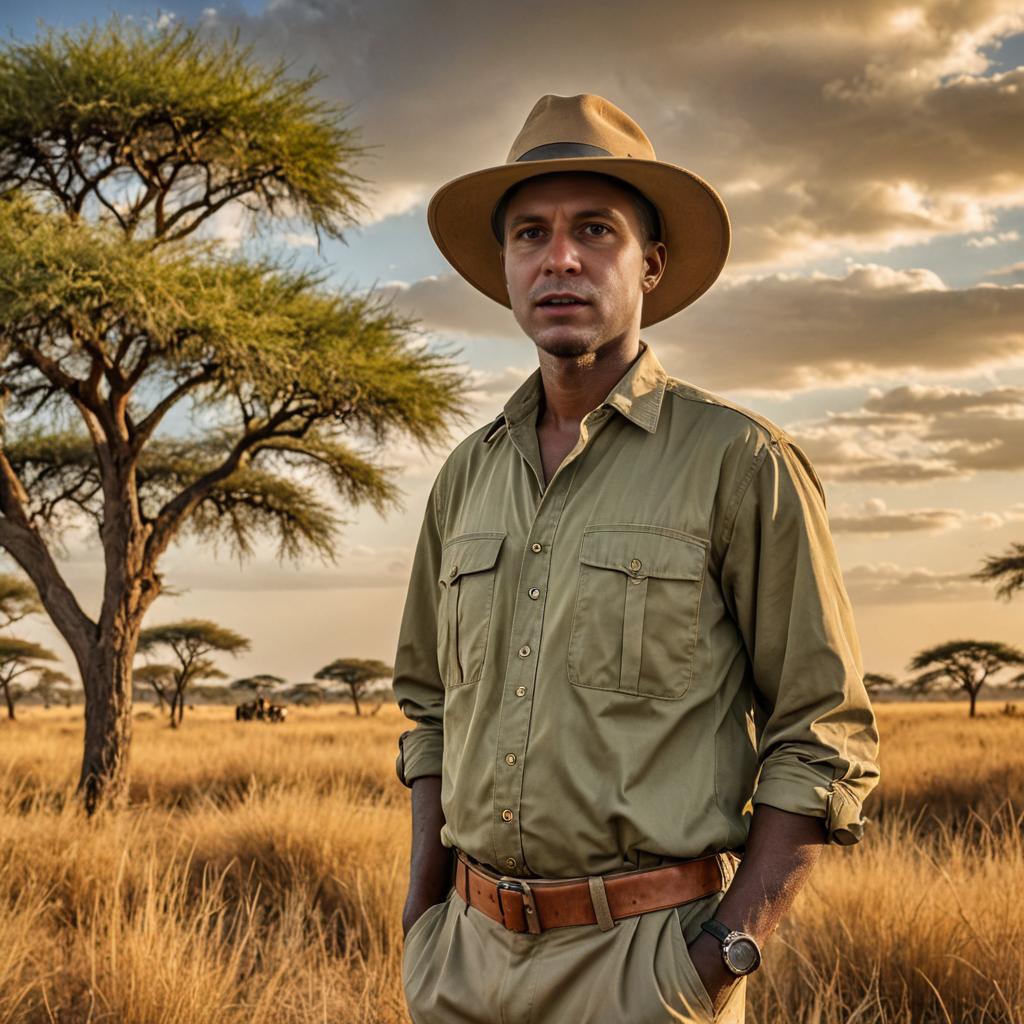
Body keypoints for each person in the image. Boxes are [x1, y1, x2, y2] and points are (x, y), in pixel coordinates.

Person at [391, 93, 880, 1024]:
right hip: (462, 960)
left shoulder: (740, 464)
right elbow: (429, 711)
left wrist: (721, 955)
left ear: (650, 263)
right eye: (530, 233)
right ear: (506, 269)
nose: (560, 257)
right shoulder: (466, 478)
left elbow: (823, 731)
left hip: (647, 968)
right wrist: (423, 916)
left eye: (596, 231)